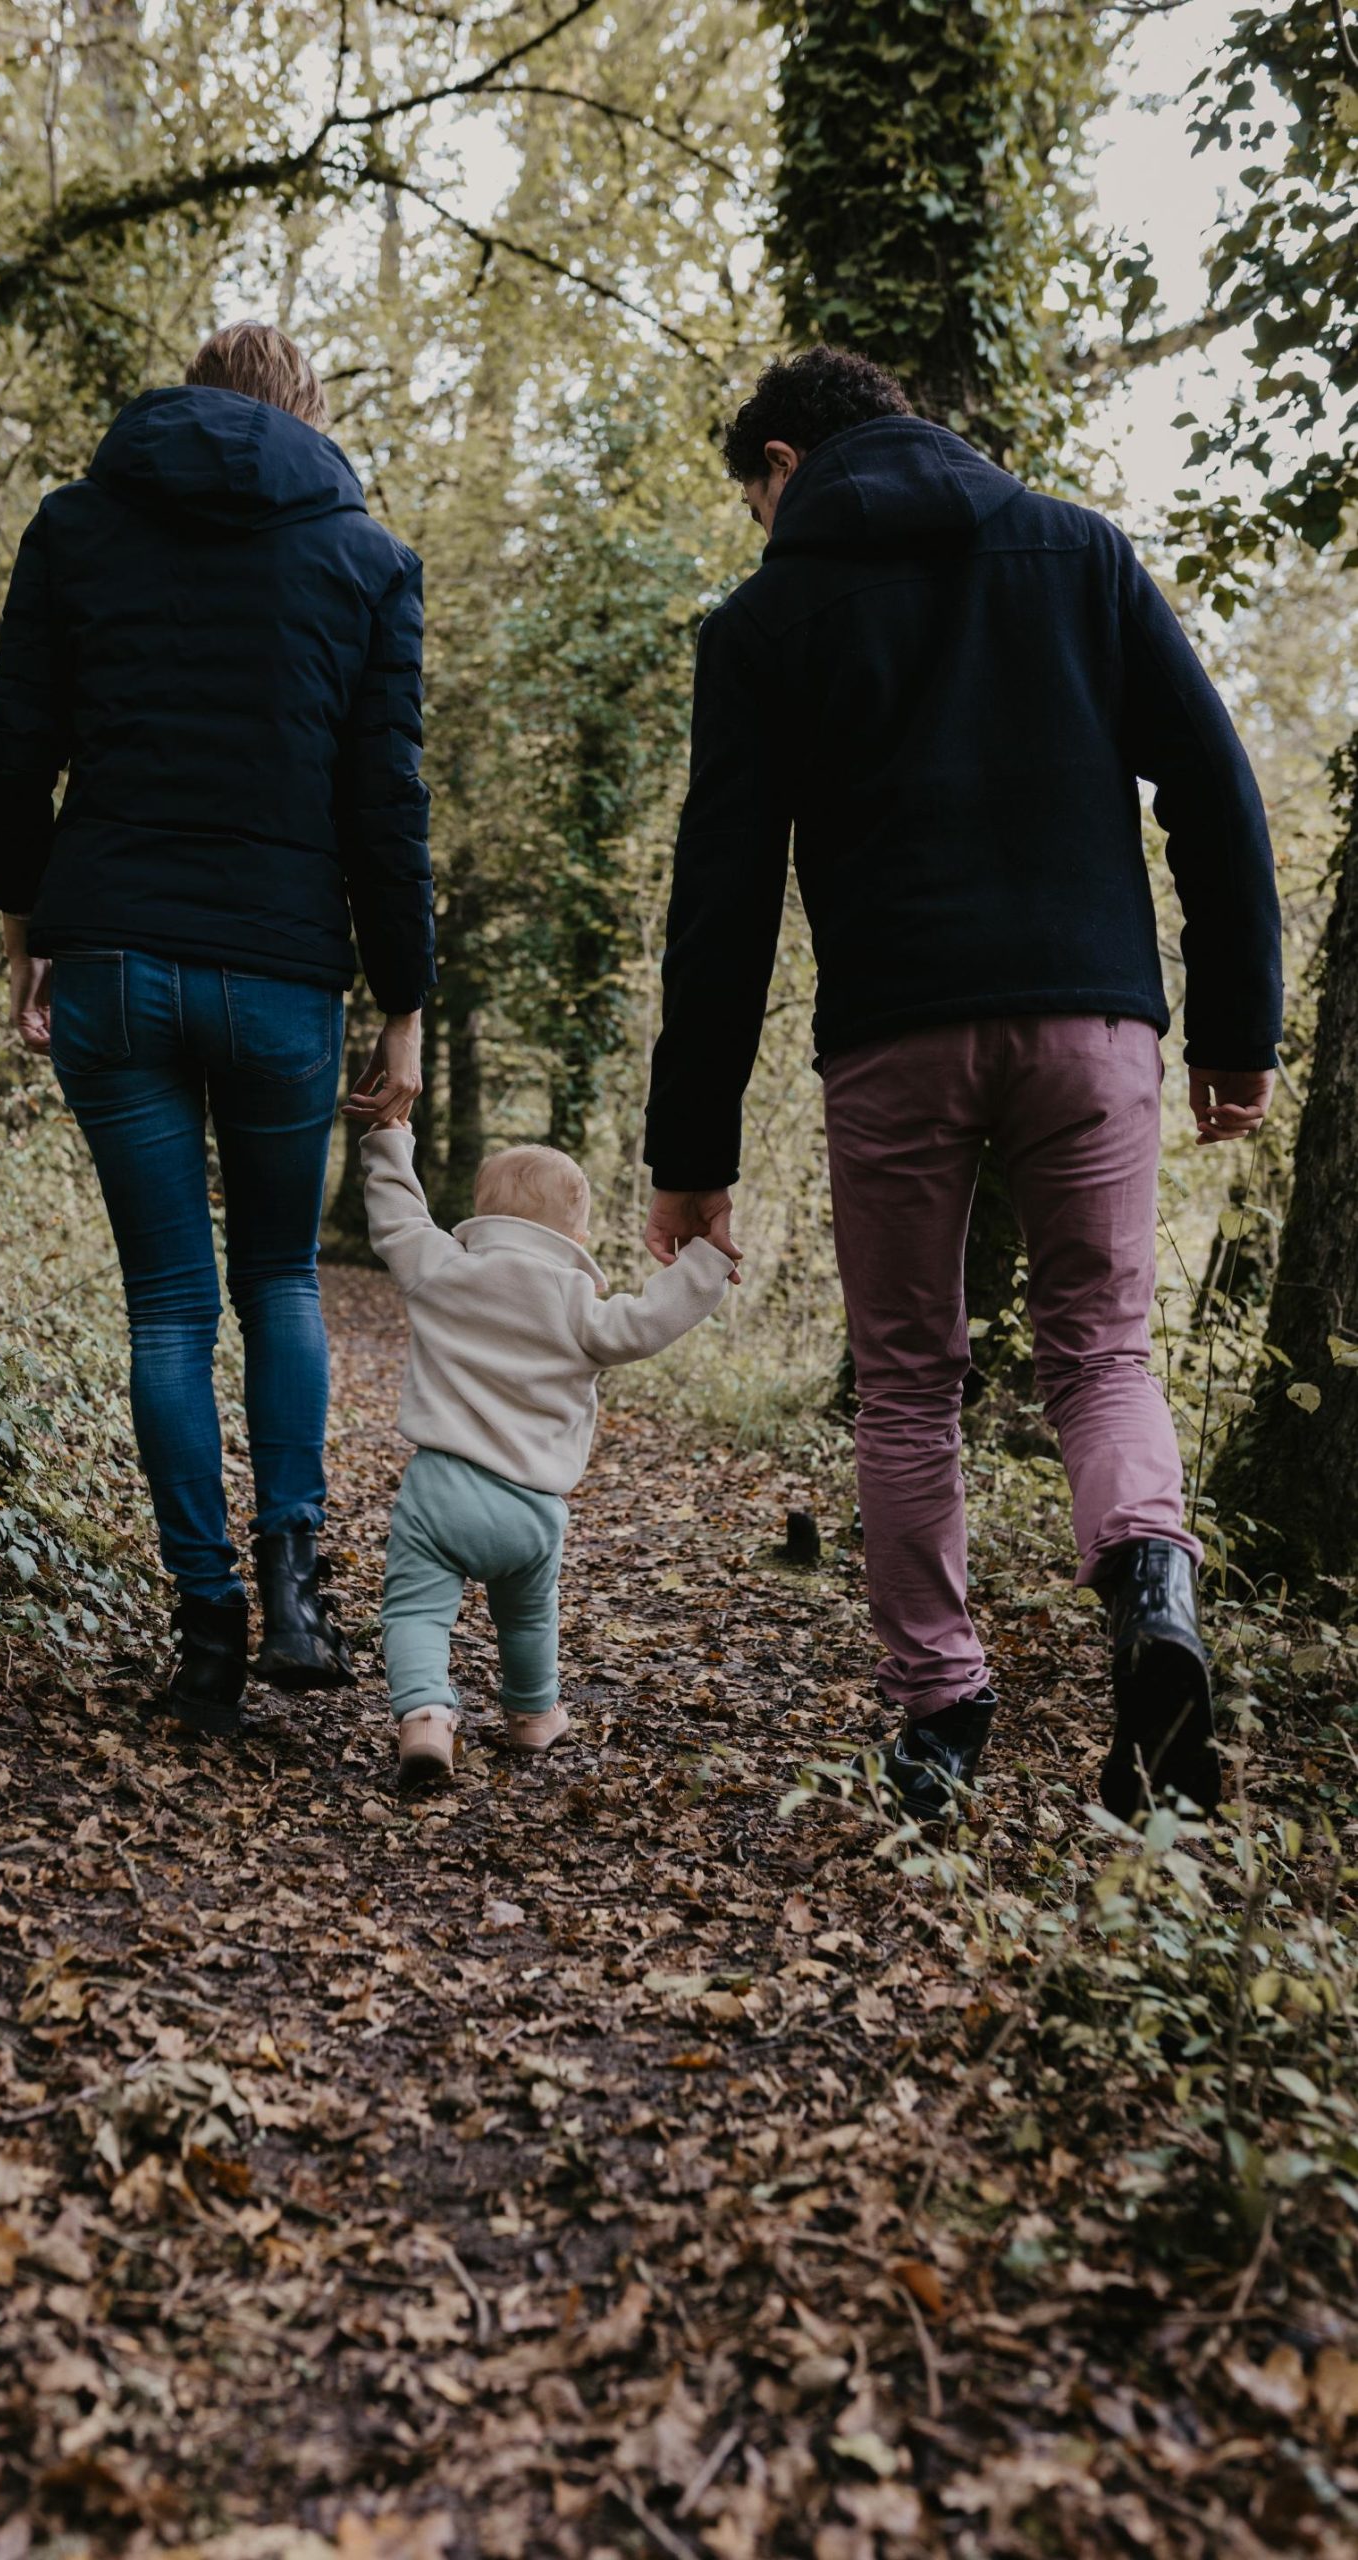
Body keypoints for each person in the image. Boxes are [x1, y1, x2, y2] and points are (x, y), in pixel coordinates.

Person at [644, 345, 1281, 1824]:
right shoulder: (1078, 549)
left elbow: (722, 900)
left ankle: (940, 1715)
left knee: (910, 1386)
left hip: (896, 1039)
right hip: (1094, 1024)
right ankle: (1151, 1588)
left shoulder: (765, 623)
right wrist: (1237, 1028)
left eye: (756, 499)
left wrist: (694, 1153)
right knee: (1103, 1353)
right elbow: (1212, 781)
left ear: (785, 464)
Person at [0, 321, 432, 1738]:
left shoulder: (76, 529)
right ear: (307, 417)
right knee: (282, 1280)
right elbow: (386, 810)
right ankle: (298, 1585)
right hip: (284, 971)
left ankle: (210, 1636)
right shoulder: (368, 564)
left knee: (169, 1306)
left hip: (112, 952)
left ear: (185, 404)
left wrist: (25, 931)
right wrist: (405, 1012)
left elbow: (15, 752)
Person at [361, 1126, 735, 1785]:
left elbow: (396, 1216)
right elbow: (647, 1321)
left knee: (416, 1610)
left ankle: (423, 1717)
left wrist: (389, 1140)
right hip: (531, 1506)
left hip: (438, 1490)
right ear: (575, 1239)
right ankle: (533, 1717)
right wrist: (705, 1261)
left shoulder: (443, 1265)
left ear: (480, 1215)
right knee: (529, 1615)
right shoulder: (575, 1304)